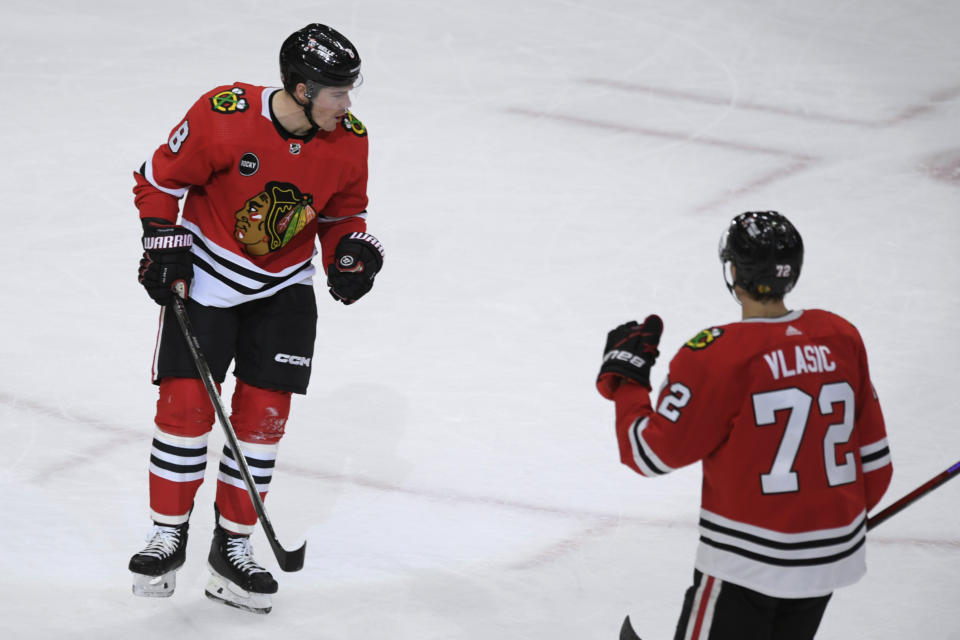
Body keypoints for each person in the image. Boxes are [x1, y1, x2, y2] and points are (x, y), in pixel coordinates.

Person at [128, 23, 384, 614]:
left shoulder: (350, 138)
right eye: (336, 93)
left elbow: (344, 213)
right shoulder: (223, 114)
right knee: (188, 407)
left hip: (285, 287)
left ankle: (232, 550)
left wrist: (349, 254)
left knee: (264, 423)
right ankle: (168, 533)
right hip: (209, 279)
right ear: (299, 89)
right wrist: (161, 241)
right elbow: (156, 180)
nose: (348, 104)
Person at [596, 211, 892, 639]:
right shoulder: (840, 336)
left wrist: (627, 383)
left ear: (734, 272)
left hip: (745, 567)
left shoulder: (718, 356)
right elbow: (876, 469)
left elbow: (648, 453)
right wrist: (820, 531)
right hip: (827, 564)